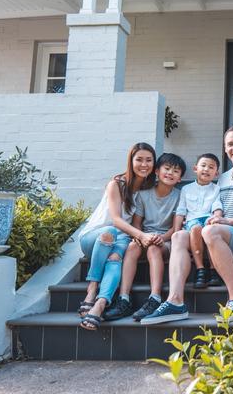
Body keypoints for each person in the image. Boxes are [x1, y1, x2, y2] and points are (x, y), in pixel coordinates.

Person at [142, 127, 233, 325]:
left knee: (210, 231)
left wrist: (227, 221)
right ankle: (175, 301)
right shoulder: (224, 177)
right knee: (179, 236)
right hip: (217, 235)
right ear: (225, 148)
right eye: (230, 144)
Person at [77, 142, 156, 331]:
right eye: (139, 160)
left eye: (149, 160)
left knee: (115, 258)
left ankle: (100, 304)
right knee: (111, 232)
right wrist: (141, 236)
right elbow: (116, 220)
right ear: (131, 161)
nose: (144, 164)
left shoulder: (147, 190)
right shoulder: (116, 184)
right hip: (94, 238)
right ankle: (92, 288)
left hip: (121, 239)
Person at [123, 152, 185, 322]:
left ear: (180, 178)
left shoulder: (180, 196)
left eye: (176, 171)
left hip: (166, 241)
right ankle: (123, 298)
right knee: (132, 247)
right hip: (144, 237)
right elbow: (136, 223)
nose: (170, 173)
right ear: (157, 171)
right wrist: (142, 236)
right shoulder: (144, 195)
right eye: (167, 168)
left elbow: (176, 227)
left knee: (153, 248)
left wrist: (162, 238)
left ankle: (155, 298)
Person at [178, 153, 222, 289]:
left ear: (216, 173)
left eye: (211, 167)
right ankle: (200, 269)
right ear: (195, 168)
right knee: (196, 228)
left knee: (211, 230)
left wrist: (217, 218)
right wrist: (176, 230)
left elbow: (217, 206)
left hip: (208, 220)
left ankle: (214, 269)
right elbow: (181, 211)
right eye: (203, 165)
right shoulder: (186, 189)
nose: (206, 169)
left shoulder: (216, 189)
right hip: (192, 222)